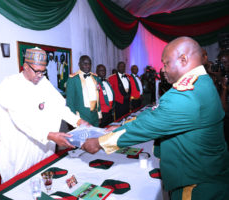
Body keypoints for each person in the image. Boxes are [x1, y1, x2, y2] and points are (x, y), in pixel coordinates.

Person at [82, 37, 229, 200]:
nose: (163, 69)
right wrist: (118, 127)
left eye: (166, 63)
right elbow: (157, 114)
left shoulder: (186, 94)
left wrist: (99, 142)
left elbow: (147, 126)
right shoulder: (202, 81)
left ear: (183, 59)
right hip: (207, 173)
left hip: (196, 184)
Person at [0, 47, 89, 183]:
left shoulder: (43, 82)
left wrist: (78, 121)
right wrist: (50, 135)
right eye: (37, 71)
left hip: (42, 150)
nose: (40, 75)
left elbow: (59, 107)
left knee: (45, 183)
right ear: (25, 66)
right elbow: (21, 120)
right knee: (20, 188)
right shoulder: (11, 85)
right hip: (20, 149)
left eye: (43, 71)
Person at [66, 55, 101, 127]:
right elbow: (70, 102)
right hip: (82, 116)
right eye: (85, 64)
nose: (87, 66)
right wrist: (75, 120)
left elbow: (98, 98)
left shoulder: (95, 78)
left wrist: (99, 115)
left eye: (89, 64)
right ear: (79, 64)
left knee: (96, 137)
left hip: (94, 115)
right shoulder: (73, 79)